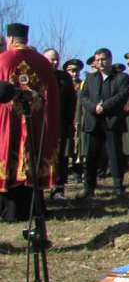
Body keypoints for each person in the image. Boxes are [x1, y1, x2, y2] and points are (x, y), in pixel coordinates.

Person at [0, 24, 60, 222]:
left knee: (10, 159)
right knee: (32, 161)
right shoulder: (42, 62)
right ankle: (36, 209)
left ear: (10, 39)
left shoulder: (3, 60)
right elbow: (51, 97)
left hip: (9, 123)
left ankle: (9, 211)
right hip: (36, 122)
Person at [79, 47, 129, 202]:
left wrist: (105, 106)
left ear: (110, 60)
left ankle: (118, 187)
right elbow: (84, 96)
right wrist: (94, 107)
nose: (100, 62)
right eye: (98, 59)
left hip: (112, 122)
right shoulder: (90, 78)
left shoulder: (121, 77)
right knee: (91, 156)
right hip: (94, 121)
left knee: (114, 155)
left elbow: (122, 96)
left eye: (103, 59)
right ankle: (89, 187)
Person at [43, 49, 76, 196]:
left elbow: (71, 101)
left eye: (57, 59)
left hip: (61, 123)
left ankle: (58, 188)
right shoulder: (38, 75)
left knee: (61, 157)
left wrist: (69, 123)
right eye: (51, 59)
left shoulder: (64, 77)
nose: (55, 62)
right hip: (42, 125)